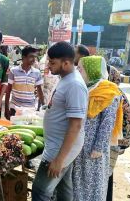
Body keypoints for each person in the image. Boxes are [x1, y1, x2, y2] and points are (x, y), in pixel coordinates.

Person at [32, 41, 88, 201]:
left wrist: (59, 160)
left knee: (40, 192)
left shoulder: (75, 85)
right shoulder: (66, 78)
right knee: (64, 188)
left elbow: (76, 125)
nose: (49, 65)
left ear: (66, 63)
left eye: (52, 62)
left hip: (59, 150)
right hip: (60, 145)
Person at [72, 56, 123, 201]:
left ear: (91, 70)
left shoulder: (109, 92)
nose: (77, 71)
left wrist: (98, 148)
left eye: (80, 69)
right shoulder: (85, 88)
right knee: (77, 185)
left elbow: (107, 123)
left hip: (93, 150)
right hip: (78, 147)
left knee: (91, 186)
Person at [106, 65, 130, 201]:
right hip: (116, 141)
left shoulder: (113, 94)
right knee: (107, 174)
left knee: (106, 173)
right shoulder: (117, 92)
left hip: (113, 142)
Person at [5, 46, 44, 120]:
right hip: (15, 108)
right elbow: (8, 91)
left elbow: (40, 91)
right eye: (31, 57)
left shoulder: (37, 72)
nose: (34, 59)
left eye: (35, 57)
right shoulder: (13, 71)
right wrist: (6, 108)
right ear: (23, 57)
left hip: (30, 109)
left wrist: (41, 106)